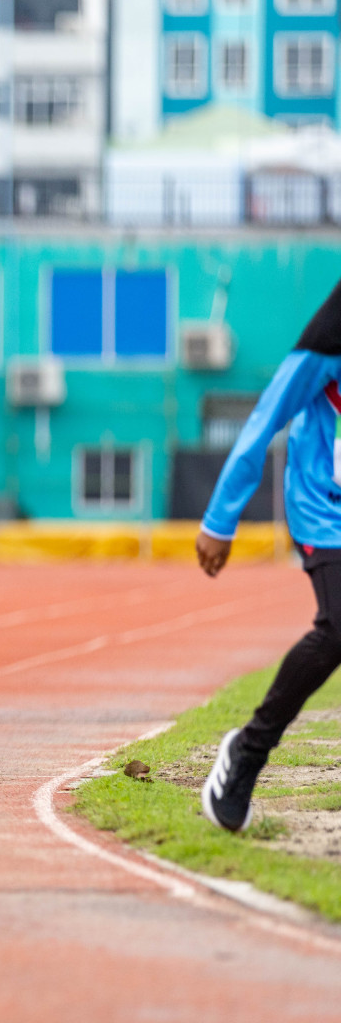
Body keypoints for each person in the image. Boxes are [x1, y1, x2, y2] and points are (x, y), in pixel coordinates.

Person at [197, 279, 341, 830]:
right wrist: (220, 518)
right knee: (338, 626)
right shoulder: (331, 334)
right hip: (325, 507)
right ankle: (246, 755)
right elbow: (265, 418)